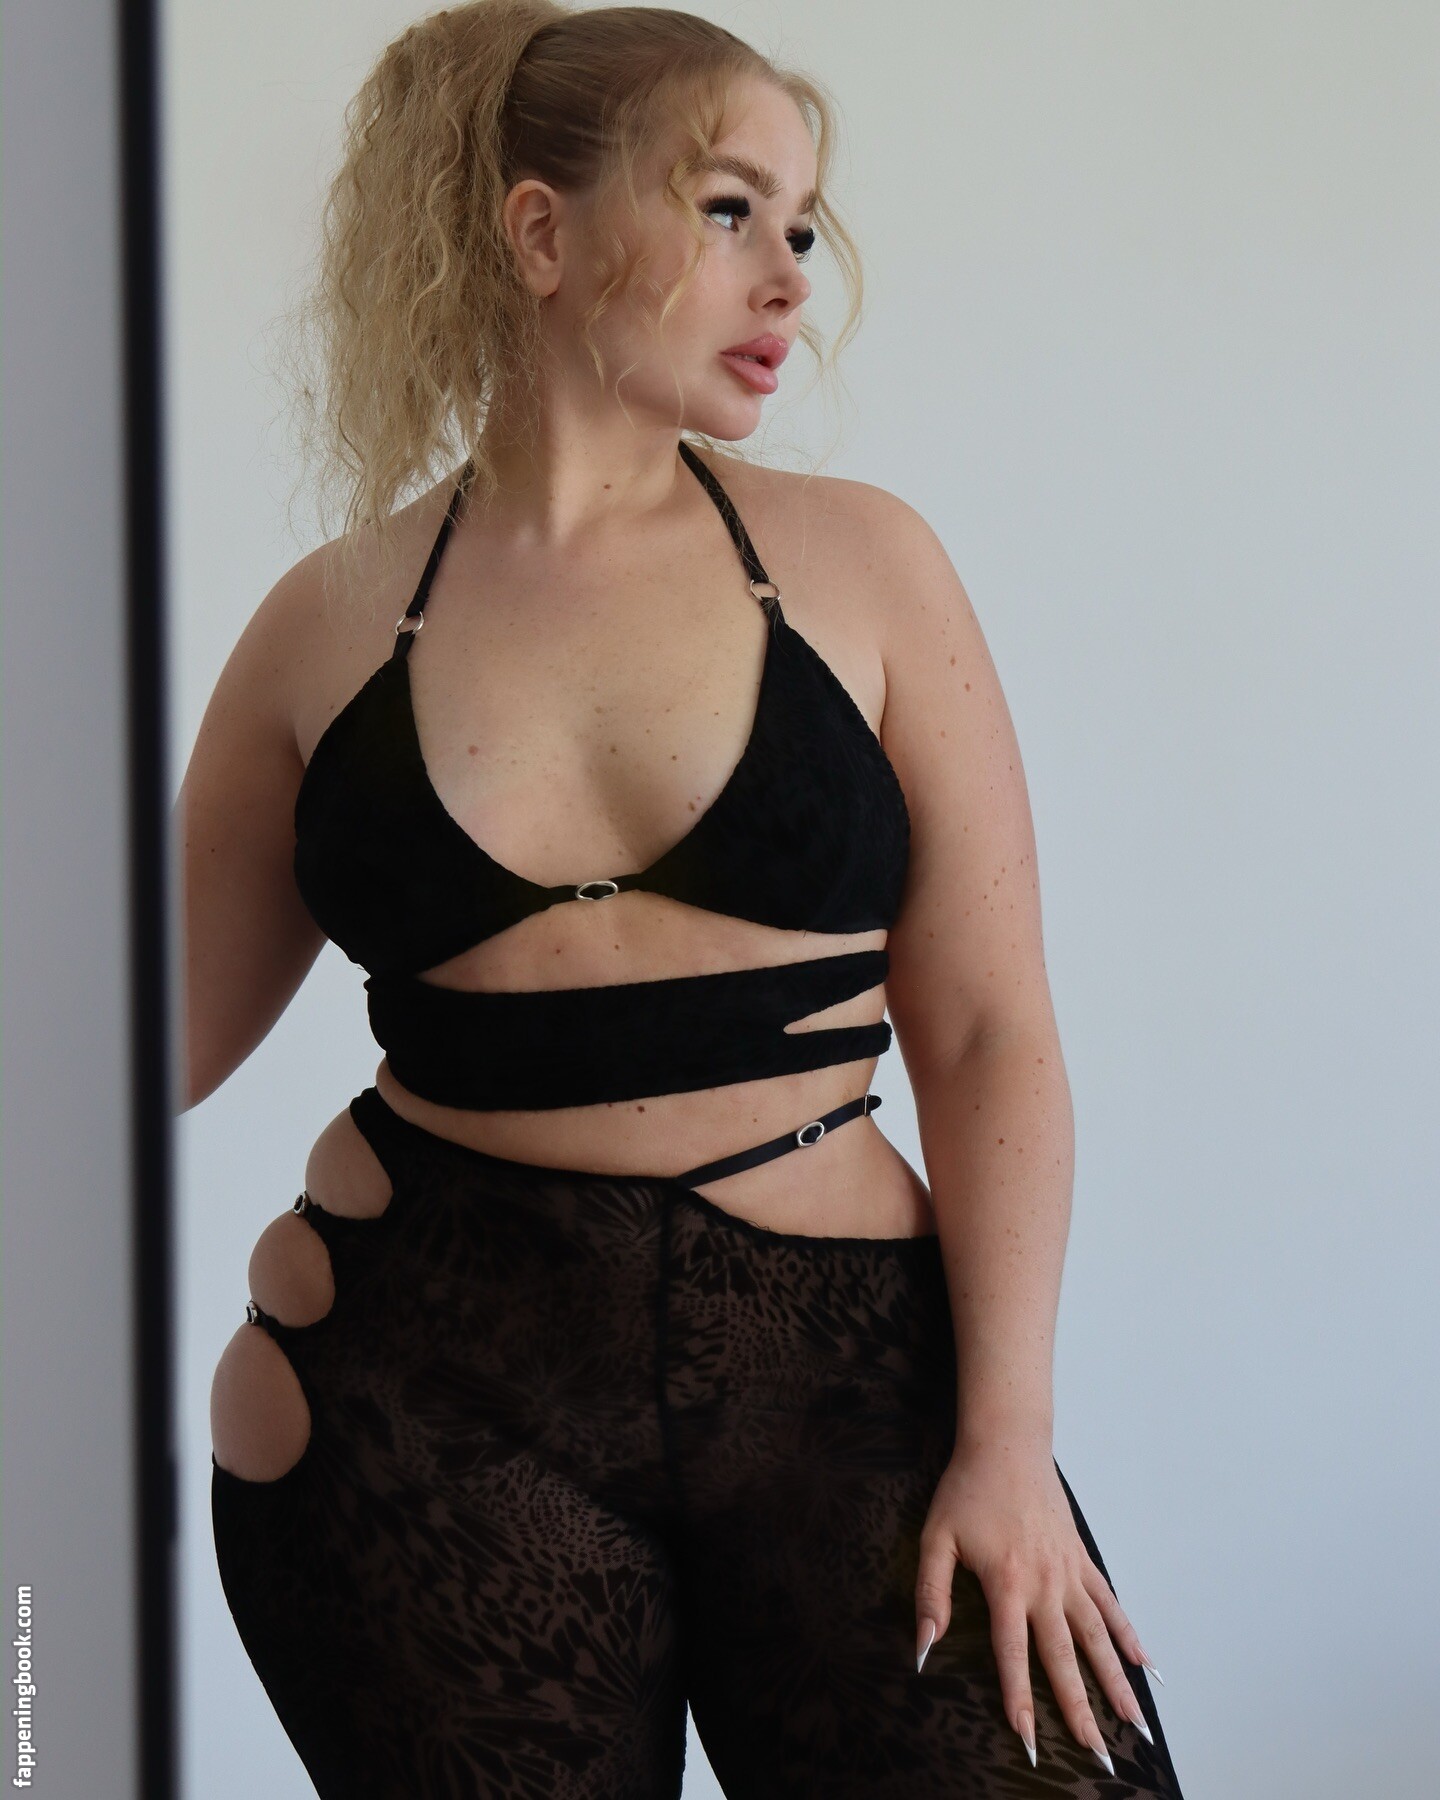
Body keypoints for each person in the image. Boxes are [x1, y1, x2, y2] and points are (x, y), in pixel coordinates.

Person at [181, 3, 1187, 1795]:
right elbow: (118, 1056)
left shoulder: (865, 566)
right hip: (423, 1408)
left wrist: (1009, 1438)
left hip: (850, 1385)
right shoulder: (324, 628)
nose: (790, 275)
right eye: (729, 210)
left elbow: (984, 1029)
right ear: (541, 234)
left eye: (800, 224)